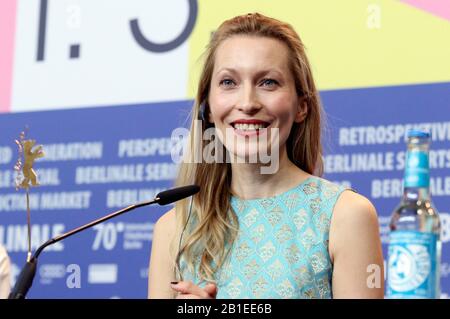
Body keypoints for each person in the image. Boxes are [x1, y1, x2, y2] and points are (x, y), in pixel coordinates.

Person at [148, 13, 384, 299]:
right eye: (228, 82)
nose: (247, 103)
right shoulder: (173, 228)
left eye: (268, 82)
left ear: (301, 107)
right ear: (208, 108)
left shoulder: (347, 216)